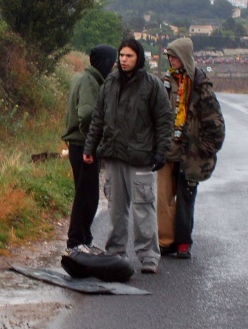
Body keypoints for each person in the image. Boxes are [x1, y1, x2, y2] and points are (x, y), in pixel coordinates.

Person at [83, 38, 174, 274]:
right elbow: (98, 118)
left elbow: (164, 120)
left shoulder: (152, 86)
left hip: (140, 157)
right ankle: (116, 253)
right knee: (116, 208)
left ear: (139, 58)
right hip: (113, 156)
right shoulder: (110, 83)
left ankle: (148, 256)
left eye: (129, 56)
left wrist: (161, 151)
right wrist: (89, 148)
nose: (124, 60)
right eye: (121, 56)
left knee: (143, 208)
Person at [157, 37, 225, 259]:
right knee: (163, 198)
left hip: (191, 154)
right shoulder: (164, 82)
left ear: (184, 57)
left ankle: (183, 242)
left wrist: (206, 149)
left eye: (175, 56)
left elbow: (216, 123)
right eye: (169, 56)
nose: (171, 60)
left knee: (186, 198)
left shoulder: (201, 86)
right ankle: (165, 241)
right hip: (167, 151)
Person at [61, 45, 118, 252]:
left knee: (90, 195)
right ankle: (75, 242)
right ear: (104, 62)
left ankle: (85, 238)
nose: (113, 66)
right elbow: (86, 114)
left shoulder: (89, 79)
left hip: (82, 144)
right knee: (86, 195)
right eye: (112, 62)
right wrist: (93, 138)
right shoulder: (89, 82)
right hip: (82, 145)